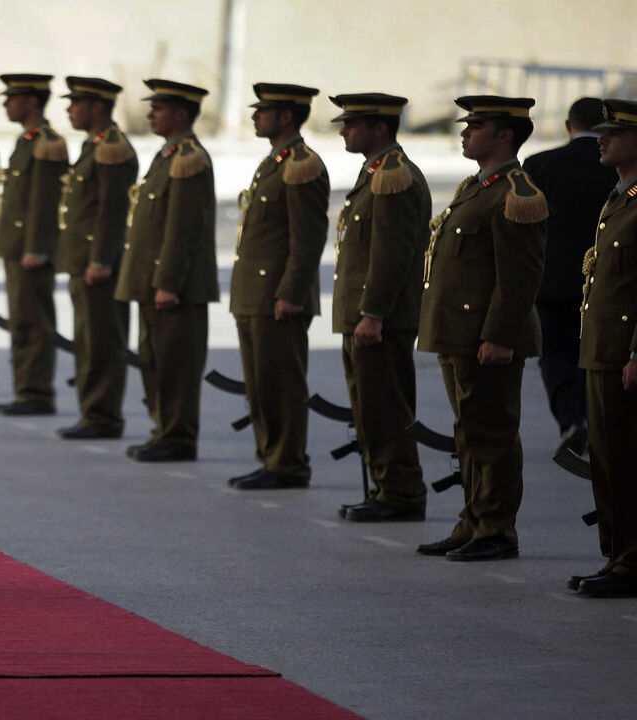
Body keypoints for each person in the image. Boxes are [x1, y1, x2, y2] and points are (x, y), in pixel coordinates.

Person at [416, 96, 547, 562]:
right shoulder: (478, 187)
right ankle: (472, 521)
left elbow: (520, 277)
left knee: (491, 434)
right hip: (459, 332)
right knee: (469, 432)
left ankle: (496, 529)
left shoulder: (516, 192)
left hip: (484, 336)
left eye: (477, 126)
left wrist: (499, 336)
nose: (465, 132)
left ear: (505, 135)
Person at [328, 93, 432, 522]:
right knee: (369, 407)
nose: (343, 130)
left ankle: (402, 493)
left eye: (352, 123)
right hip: (365, 315)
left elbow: (392, 255)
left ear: (380, 128)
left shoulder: (394, 175)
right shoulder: (376, 172)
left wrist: (373, 313)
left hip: (379, 317)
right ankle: (386, 488)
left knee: (385, 407)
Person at [229, 83, 329, 489]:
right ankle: (271, 457)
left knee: (281, 384)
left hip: (277, 296)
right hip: (255, 294)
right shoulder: (276, 162)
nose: (255, 116)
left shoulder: (301, 164)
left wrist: (290, 293)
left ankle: (287, 462)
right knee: (260, 384)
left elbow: (306, 240)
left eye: (263, 110)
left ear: (286, 116)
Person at [116, 79, 218, 462]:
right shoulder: (168, 155)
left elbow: (183, 228)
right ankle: (163, 431)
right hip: (152, 282)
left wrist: (168, 283)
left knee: (175, 367)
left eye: (157, 108)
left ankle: (177, 437)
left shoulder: (189, 157)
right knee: (155, 362)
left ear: (180, 113)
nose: (150, 114)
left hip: (174, 287)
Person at [522, 97, 614, 456]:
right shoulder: (618, 165)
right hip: (607, 282)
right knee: (597, 357)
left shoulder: (541, 164)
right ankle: (599, 422)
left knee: (556, 355)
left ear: (568, 125)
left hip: (554, 280)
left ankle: (572, 419)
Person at [572, 98, 637, 597]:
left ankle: (630, 562)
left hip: (624, 352)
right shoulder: (619, 196)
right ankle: (616, 556)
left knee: (625, 458)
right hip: (602, 347)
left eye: (613, 132)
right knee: (606, 456)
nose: (602, 138)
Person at [55, 76, 138, 439]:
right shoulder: (94, 145)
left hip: (97, 264)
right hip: (83, 260)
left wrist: (101, 260)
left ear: (98, 108)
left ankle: (103, 416)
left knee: (101, 342)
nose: (69, 109)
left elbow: (111, 211)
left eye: (77, 103)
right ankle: (93, 413)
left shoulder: (112, 148)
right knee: (88, 341)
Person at [0, 74, 68, 415]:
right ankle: (26, 391)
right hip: (16, 246)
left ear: (31, 101)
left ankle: (36, 394)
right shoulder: (28, 140)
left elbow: (45, 202)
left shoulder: (47, 141)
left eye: (12, 98)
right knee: (21, 321)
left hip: (30, 250)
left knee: (33, 322)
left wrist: (36, 248)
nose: (6, 104)